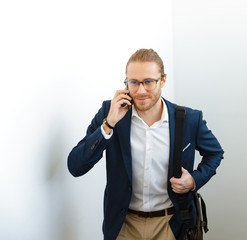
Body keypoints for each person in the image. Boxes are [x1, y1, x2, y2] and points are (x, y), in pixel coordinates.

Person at [67, 48, 224, 240]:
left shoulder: (189, 119)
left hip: (171, 224)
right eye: (134, 82)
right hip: (124, 225)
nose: (141, 91)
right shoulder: (109, 112)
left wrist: (194, 180)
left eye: (148, 82)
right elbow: (75, 166)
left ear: (163, 80)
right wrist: (109, 124)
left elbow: (215, 153)